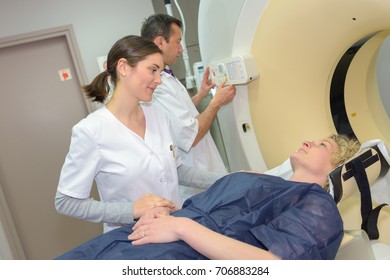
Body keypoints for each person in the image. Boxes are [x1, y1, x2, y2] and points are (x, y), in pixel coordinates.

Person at [55, 134, 361, 260]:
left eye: (321, 145)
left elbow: (272, 266)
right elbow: (199, 207)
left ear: (337, 167)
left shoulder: (316, 205)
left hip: (183, 254)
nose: (308, 141)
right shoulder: (259, 179)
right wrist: (163, 216)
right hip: (140, 237)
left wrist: (181, 228)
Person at [55, 35, 223, 233]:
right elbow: (66, 202)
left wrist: (227, 179)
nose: (159, 80)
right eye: (153, 70)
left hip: (175, 228)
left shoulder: (158, 115)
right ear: (124, 67)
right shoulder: (90, 131)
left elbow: (175, 170)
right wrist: (132, 209)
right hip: (132, 238)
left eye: (160, 72)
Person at [141, 14, 237, 174]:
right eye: (177, 41)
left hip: (204, 166)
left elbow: (178, 113)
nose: (181, 49)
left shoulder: (165, 74)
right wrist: (216, 102)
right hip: (194, 175)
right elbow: (190, 135)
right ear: (160, 42)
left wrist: (201, 94)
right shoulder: (155, 84)